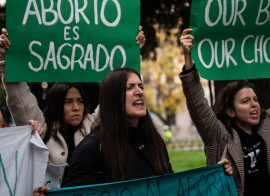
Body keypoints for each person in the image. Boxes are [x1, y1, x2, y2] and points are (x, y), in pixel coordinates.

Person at [32, 67, 232, 195]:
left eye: (141, 86)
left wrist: (216, 174)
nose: (139, 91)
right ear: (112, 99)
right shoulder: (91, 149)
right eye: (129, 87)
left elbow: (172, 188)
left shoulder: (155, 143)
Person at [0, 26, 146, 186]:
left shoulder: (95, 125)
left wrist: (131, 51)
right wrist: (7, 61)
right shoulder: (41, 131)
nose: (76, 107)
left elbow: (116, 92)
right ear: (56, 105)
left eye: (80, 101)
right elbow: (20, 100)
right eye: (68, 102)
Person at [179, 28, 270, 196]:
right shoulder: (219, 137)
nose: (254, 105)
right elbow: (196, 102)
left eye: (255, 99)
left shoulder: (267, 124)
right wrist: (187, 56)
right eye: (245, 101)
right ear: (230, 111)